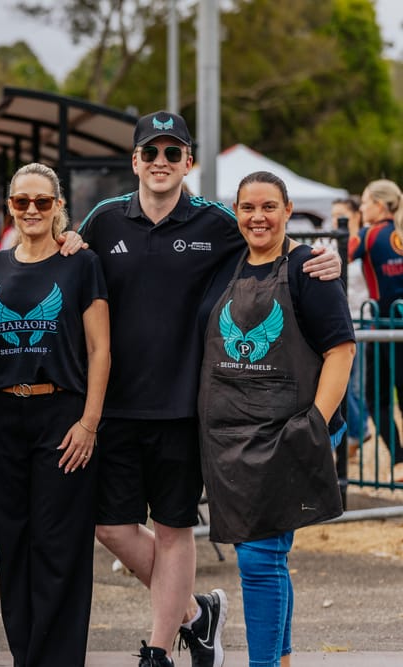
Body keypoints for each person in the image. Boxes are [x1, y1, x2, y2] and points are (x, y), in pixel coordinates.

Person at [77, 110, 342, 667]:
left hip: (186, 412)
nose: (161, 162)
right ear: (135, 161)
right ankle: (197, 617)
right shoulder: (102, 221)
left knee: (179, 532)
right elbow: (46, 262)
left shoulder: (217, 222)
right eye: (151, 152)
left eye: (173, 153)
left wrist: (327, 256)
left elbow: (271, 241)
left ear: (188, 163)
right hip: (118, 408)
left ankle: (158, 648)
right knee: (112, 528)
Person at [199, 171, 353, 667]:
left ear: (288, 211)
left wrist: (314, 425)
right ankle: (281, 661)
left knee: (258, 559)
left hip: (287, 432)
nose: (257, 217)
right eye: (248, 208)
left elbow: (341, 349)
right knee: (269, 557)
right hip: (231, 437)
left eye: (269, 207)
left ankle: (264, 664)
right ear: (235, 212)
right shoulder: (226, 264)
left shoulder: (309, 267)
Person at [0, 162, 110, 667]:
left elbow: (100, 349)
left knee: (60, 545)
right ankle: (25, 656)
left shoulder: (81, 263)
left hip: (63, 415)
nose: (31, 210)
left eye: (42, 202)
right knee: (14, 543)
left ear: (57, 207)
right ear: (9, 207)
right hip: (3, 417)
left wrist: (89, 422)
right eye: (22, 201)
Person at [348, 179, 403, 482]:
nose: (363, 207)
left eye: (366, 201)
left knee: (377, 398)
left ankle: (399, 459)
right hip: (395, 320)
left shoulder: (369, 234)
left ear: (380, 206)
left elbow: (343, 252)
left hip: (383, 323)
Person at [332, 196, 368, 457]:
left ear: (355, 215)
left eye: (342, 214)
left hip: (363, 320)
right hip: (345, 320)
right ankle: (355, 433)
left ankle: (357, 431)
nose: (336, 219)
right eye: (334, 214)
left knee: (356, 386)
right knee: (346, 383)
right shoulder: (335, 244)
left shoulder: (363, 244)